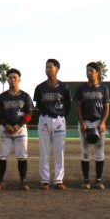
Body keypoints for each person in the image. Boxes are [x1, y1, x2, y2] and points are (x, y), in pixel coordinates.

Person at [0, 69, 34, 191]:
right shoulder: (2, 96)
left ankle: (23, 182)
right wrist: (5, 125)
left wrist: (19, 124)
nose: (12, 79)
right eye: (10, 77)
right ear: (8, 80)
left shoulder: (25, 96)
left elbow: (29, 113)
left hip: (20, 129)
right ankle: (0, 181)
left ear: (19, 79)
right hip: (6, 129)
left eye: (15, 77)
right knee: (2, 156)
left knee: (22, 156)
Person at [34, 59, 72, 190]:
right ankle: (45, 180)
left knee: (59, 152)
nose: (48, 69)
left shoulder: (64, 87)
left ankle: (58, 180)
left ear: (57, 69)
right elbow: (38, 104)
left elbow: (68, 105)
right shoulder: (40, 88)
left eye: (50, 67)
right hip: (44, 119)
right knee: (44, 151)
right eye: (46, 67)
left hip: (59, 119)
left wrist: (61, 117)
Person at [74, 62, 110, 189]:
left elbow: (107, 107)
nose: (88, 72)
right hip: (86, 122)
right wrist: (82, 123)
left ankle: (99, 180)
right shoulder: (81, 89)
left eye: (91, 70)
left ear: (97, 72)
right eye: (87, 70)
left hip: (98, 122)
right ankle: (86, 180)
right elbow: (78, 108)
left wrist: (102, 122)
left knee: (99, 152)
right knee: (85, 152)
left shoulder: (104, 89)